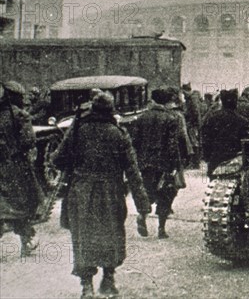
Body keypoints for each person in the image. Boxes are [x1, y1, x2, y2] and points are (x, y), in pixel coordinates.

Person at [52, 92, 150, 299]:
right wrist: (142, 207)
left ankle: (86, 286)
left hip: (81, 191)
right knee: (111, 235)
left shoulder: (78, 130)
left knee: (83, 237)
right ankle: (108, 280)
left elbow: (57, 160)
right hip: (111, 192)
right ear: (112, 110)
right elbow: (132, 171)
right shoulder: (119, 133)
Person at [129, 88, 189, 239]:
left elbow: (134, 142)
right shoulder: (171, 118)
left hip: (145, 163)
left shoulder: (142, 118)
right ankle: (161, 228)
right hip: (164, 163)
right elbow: (172, 145)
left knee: (148, 191)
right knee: (166, 193)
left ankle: (142, 215)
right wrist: (175, 164)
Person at [0, 81, 43, 257]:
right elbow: (28, 141)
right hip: (16, 167)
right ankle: (26, 241)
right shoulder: (19, 115)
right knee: (22, 203)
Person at [201, 89, 249, 178]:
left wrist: (207, 157)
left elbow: (206, 140)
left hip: (215, 158)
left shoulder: (211, 118)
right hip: (235, 160)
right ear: (235, 102)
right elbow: (245, 144)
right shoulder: (242, 121)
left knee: (214, 186)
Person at [181, 83, 202, 169]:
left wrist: (192, 122)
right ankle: (194, 162)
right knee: (193, 142)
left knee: (193, 142)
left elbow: (195, 113)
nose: (184, 96)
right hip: (194, 124)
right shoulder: (193, 98)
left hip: (193, 125)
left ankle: (195, 163)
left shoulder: (192, 99)